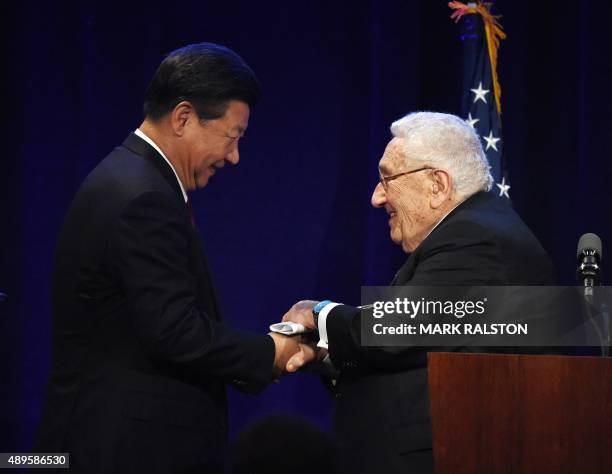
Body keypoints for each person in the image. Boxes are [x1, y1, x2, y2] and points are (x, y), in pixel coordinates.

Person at [35, 42, 308, 473]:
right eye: (232, 137)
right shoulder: (142, 196)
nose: (234, 157)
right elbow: (175, 331)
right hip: (120, 449)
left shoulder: (131, 177)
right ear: (183, 117)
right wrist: (270, 351)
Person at [282, 112, 557, 474]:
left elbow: (397, 333)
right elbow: (423, 350)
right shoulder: (471, 232)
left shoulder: (476, 238)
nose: (376, 197)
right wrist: (326, 353)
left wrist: (319, 314)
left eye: (387, 179)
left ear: (437, 185)